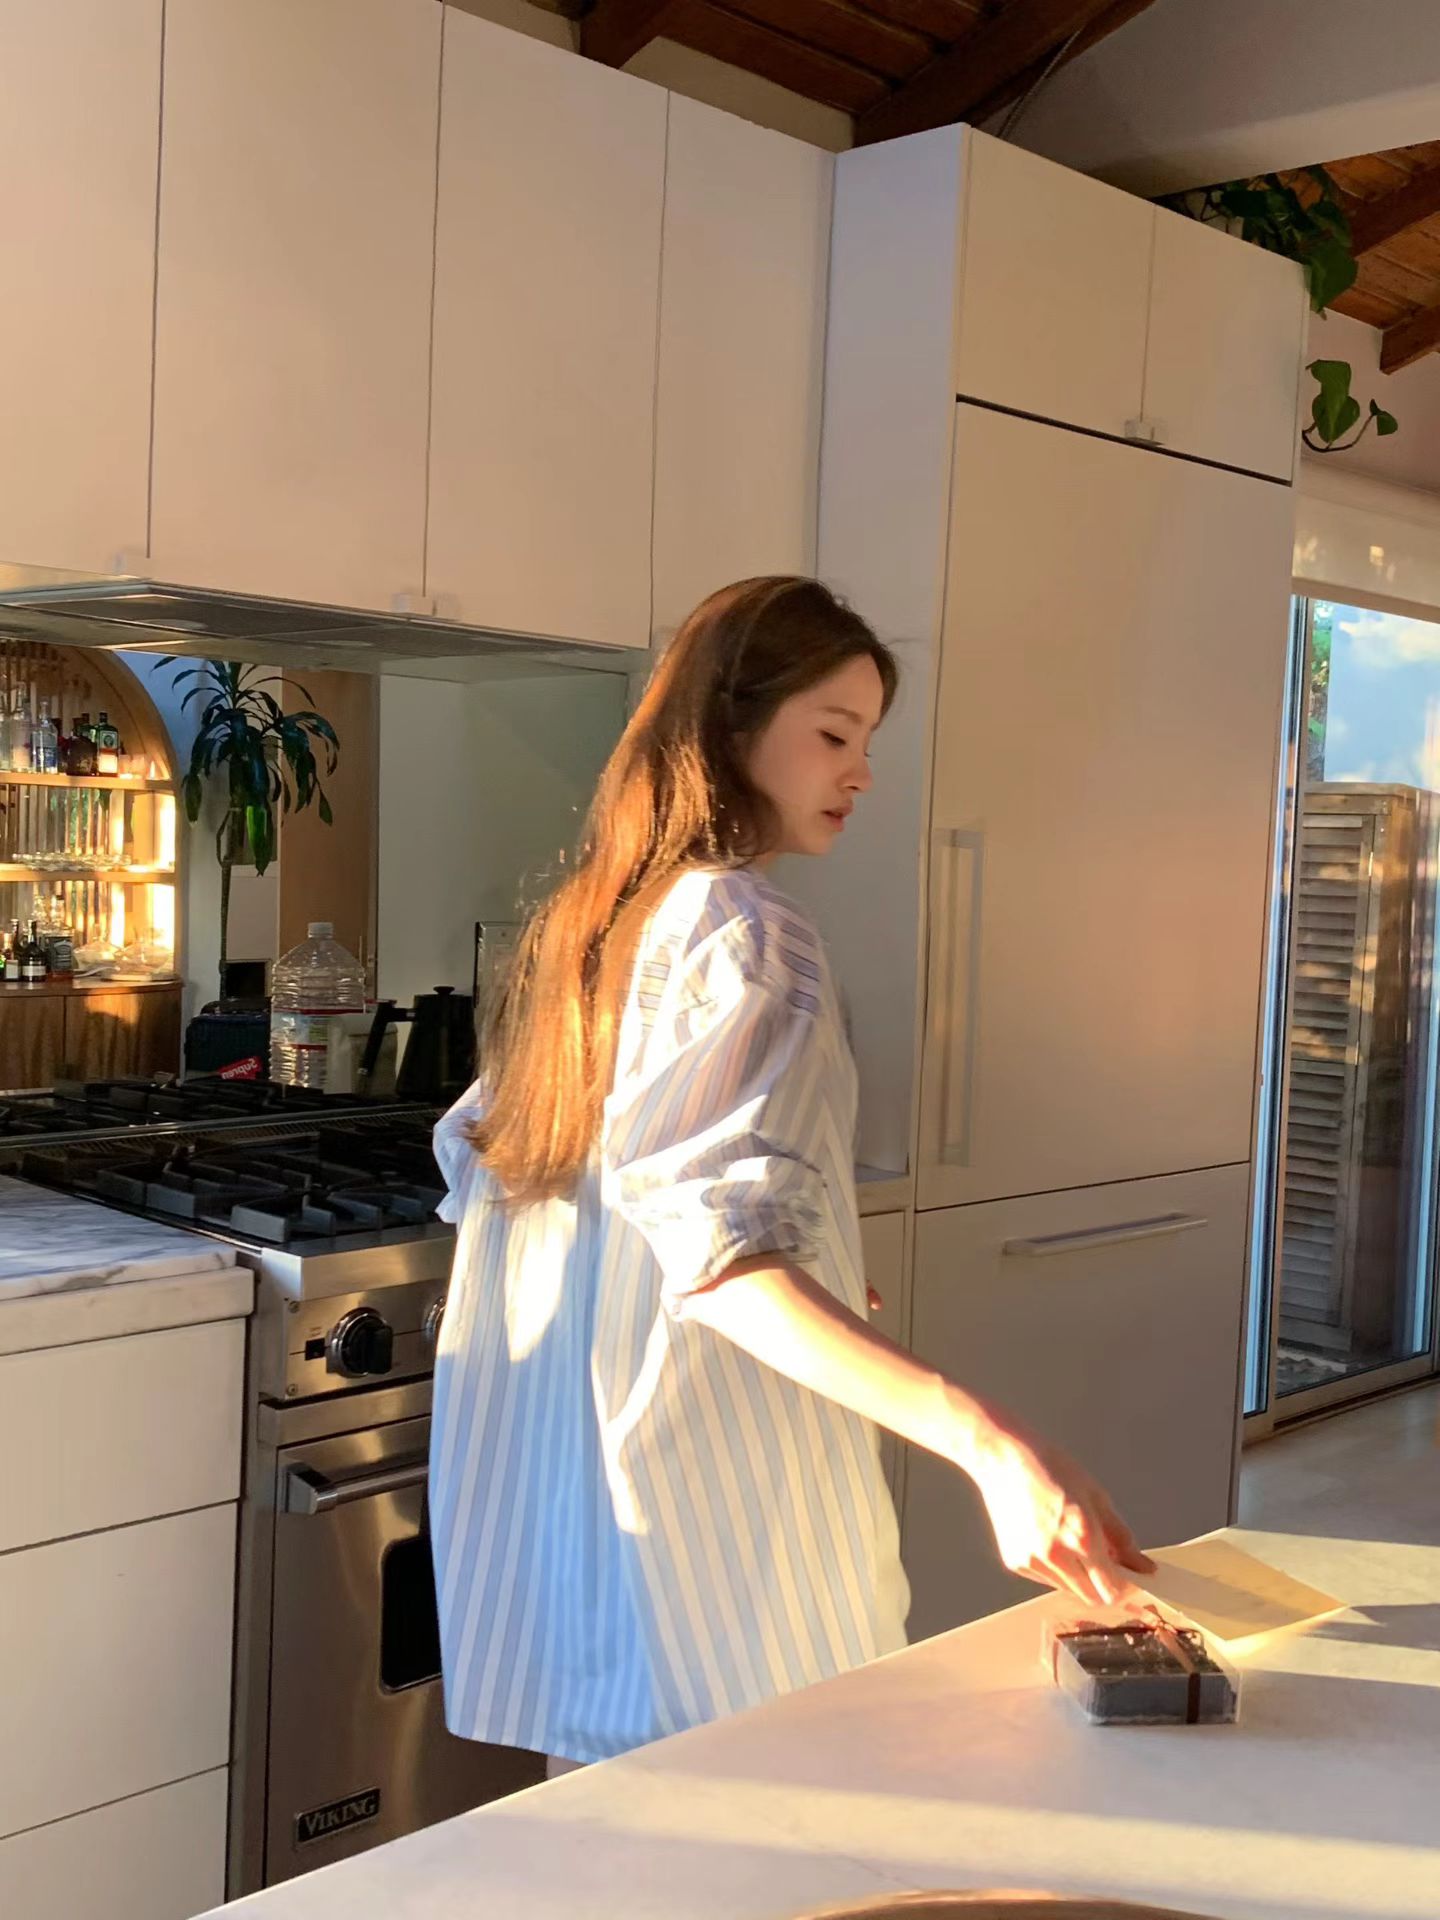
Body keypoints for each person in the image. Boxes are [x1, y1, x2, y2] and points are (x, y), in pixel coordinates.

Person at [429, 575, 1154, 1773]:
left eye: (867, 741)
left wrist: (800, 1265)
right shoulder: (747, 931)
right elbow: (720, 1266)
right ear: (731, 726)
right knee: (783, 1813)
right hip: (711, 1531)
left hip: (588, 1549)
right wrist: (995, 1448)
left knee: (628, 1836)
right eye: (833, 734)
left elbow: (573, 1202)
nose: (861, 773)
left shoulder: (595, 926)